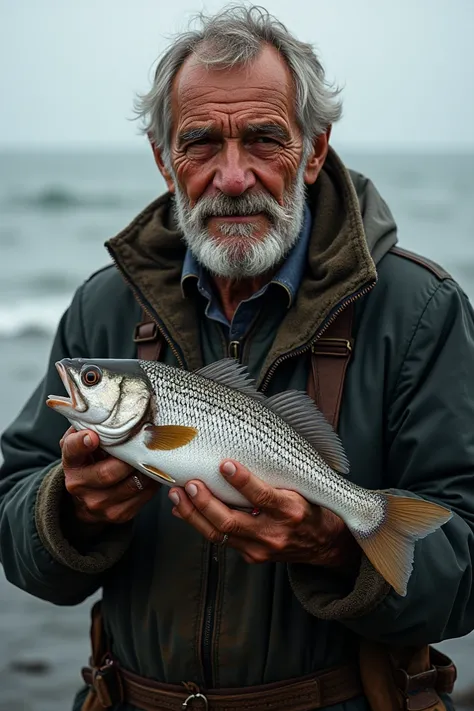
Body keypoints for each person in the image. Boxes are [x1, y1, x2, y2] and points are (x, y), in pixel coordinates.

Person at [1, 6, 473, 711]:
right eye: (199, 144)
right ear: (165, 161)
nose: (231, 176)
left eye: (262, 139)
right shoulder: (102, 306)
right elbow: (14, 513)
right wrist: (69, 509)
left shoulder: (421, 310)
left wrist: (339, 547)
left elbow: (465, 558)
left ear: (313, 150)